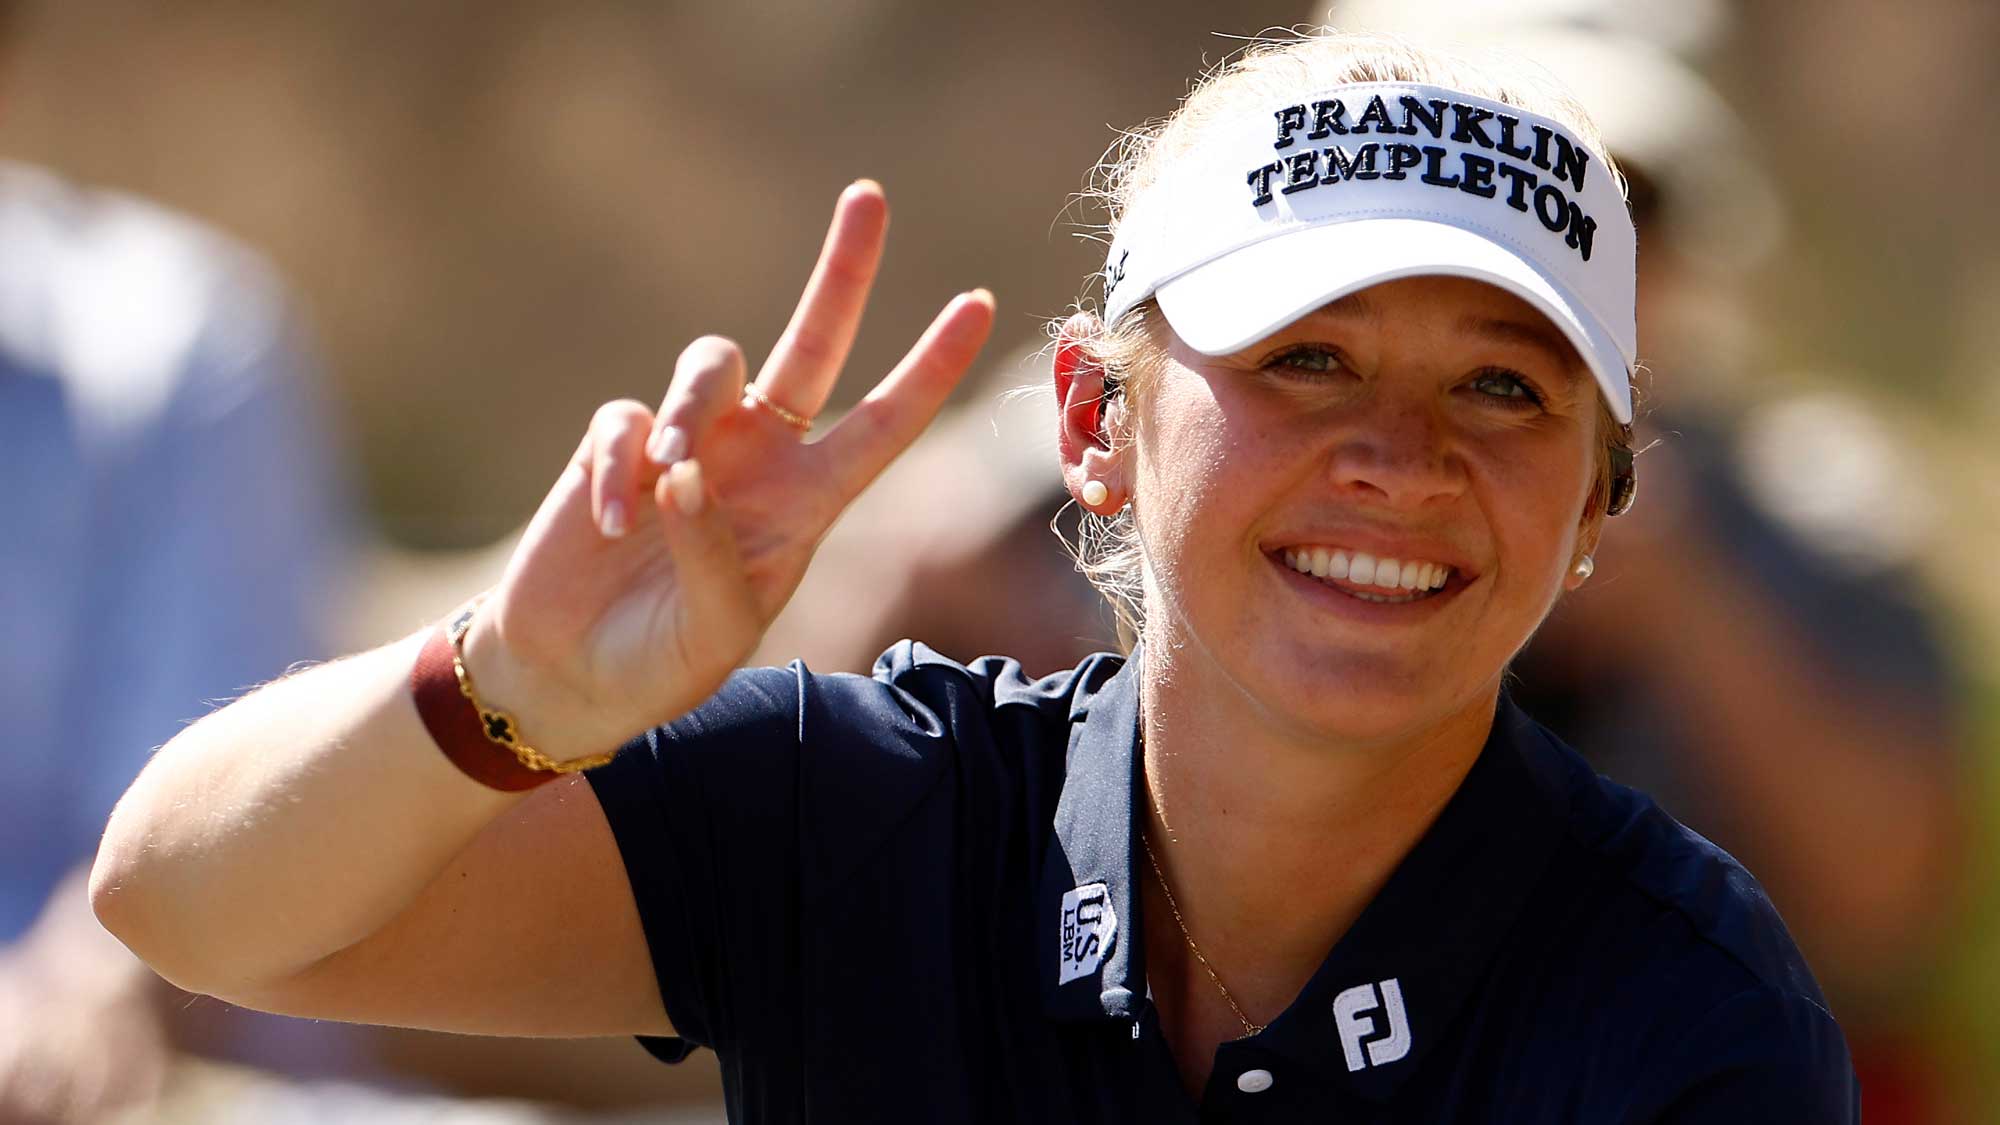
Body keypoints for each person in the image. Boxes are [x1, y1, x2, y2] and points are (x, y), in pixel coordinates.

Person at [91, 31, 1859, 1122]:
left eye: (1503, 387)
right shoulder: (853, 811)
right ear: (1094, 417)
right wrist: (506, 691)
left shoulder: (1684, 1010)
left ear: (1602, 505)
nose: (1402, 459)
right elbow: (192, 907)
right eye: (1303, 360)